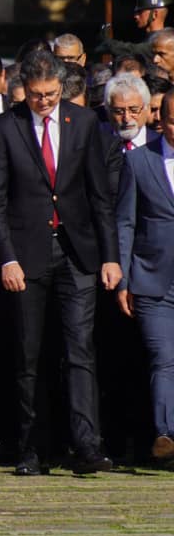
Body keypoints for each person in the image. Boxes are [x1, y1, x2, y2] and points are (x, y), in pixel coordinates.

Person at [0, 50, 121, 475]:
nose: (44, 102)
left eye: (52, 94)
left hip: (77, 252)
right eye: (37, 95)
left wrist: (110, 256)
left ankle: (87, 444)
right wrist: (6, 258)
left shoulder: (84, 124)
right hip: (26, 254)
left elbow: (99, 196)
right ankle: (30, 448)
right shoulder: (6, 128)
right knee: (28, 354)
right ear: (24, 89)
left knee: (80, 350)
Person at [117, 93, 174, 461]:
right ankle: (166, 434)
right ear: (160, 119)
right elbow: (125, 221)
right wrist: (122, 279)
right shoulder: (139, 161)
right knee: (164, 357)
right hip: (153, 279)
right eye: (172, 120)